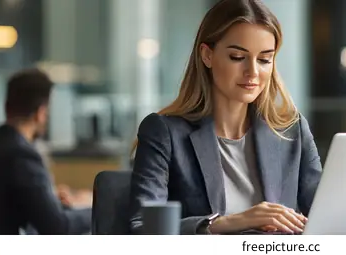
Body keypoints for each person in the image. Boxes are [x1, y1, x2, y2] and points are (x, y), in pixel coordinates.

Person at [129, 0, 322, 235]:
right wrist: (228, 222)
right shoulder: (164, 132)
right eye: (237, 57)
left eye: (264, 59)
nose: (252, 72)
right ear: (207, 55)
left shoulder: (292, 131)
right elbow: (143, 229)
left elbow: (326, 216)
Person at [0, 68, 92, 234]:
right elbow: (58, 227)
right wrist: (97, 208)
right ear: (41, 113)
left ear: (6, 106)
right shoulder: (22, 155)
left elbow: (12, 204)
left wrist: (52, 199)